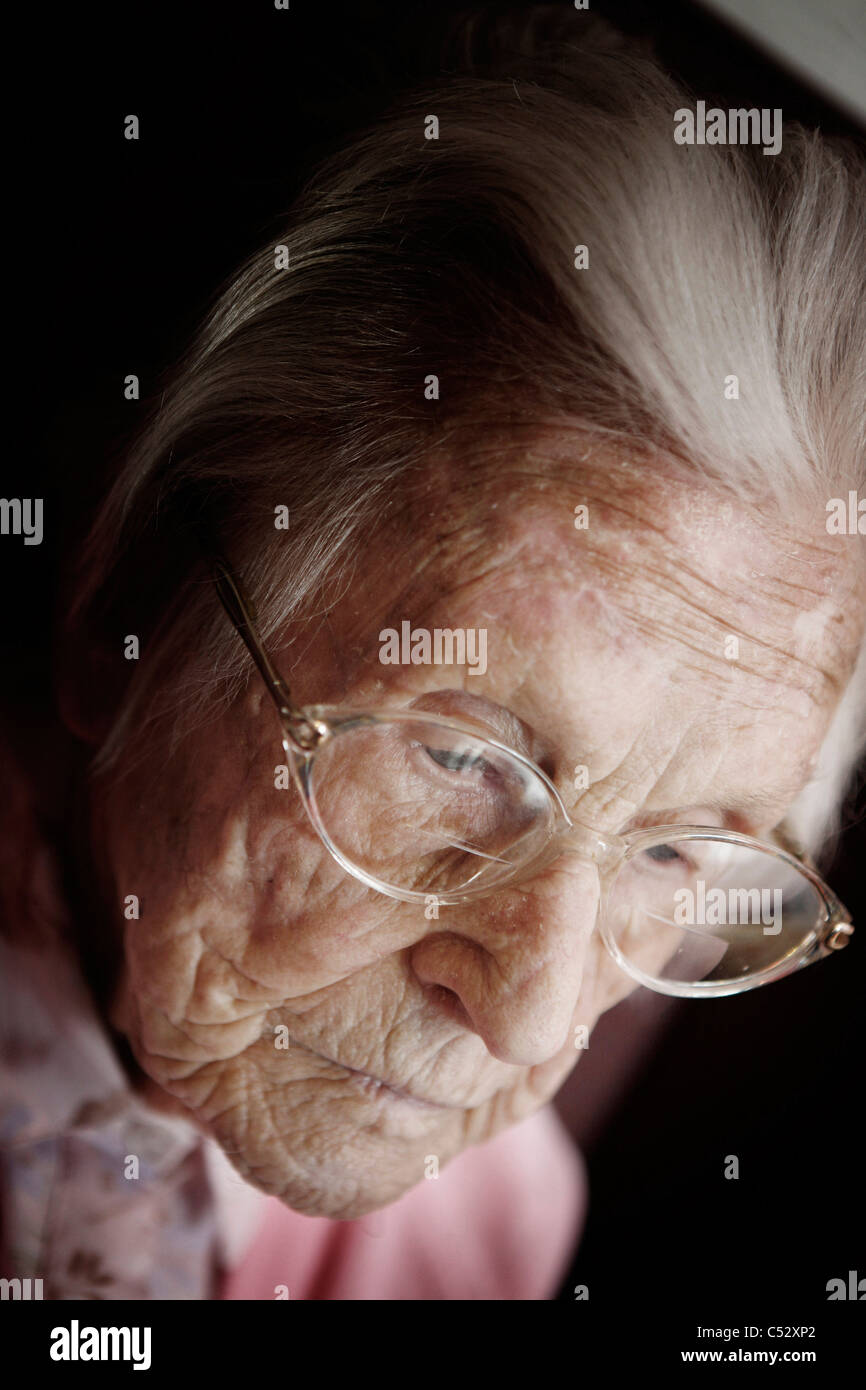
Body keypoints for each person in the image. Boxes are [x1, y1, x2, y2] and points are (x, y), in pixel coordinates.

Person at [2, 8, 864, 1300]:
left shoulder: (482, 1240)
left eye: (677, 850)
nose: (527, 1014)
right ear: (125, 610)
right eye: (462, 752)